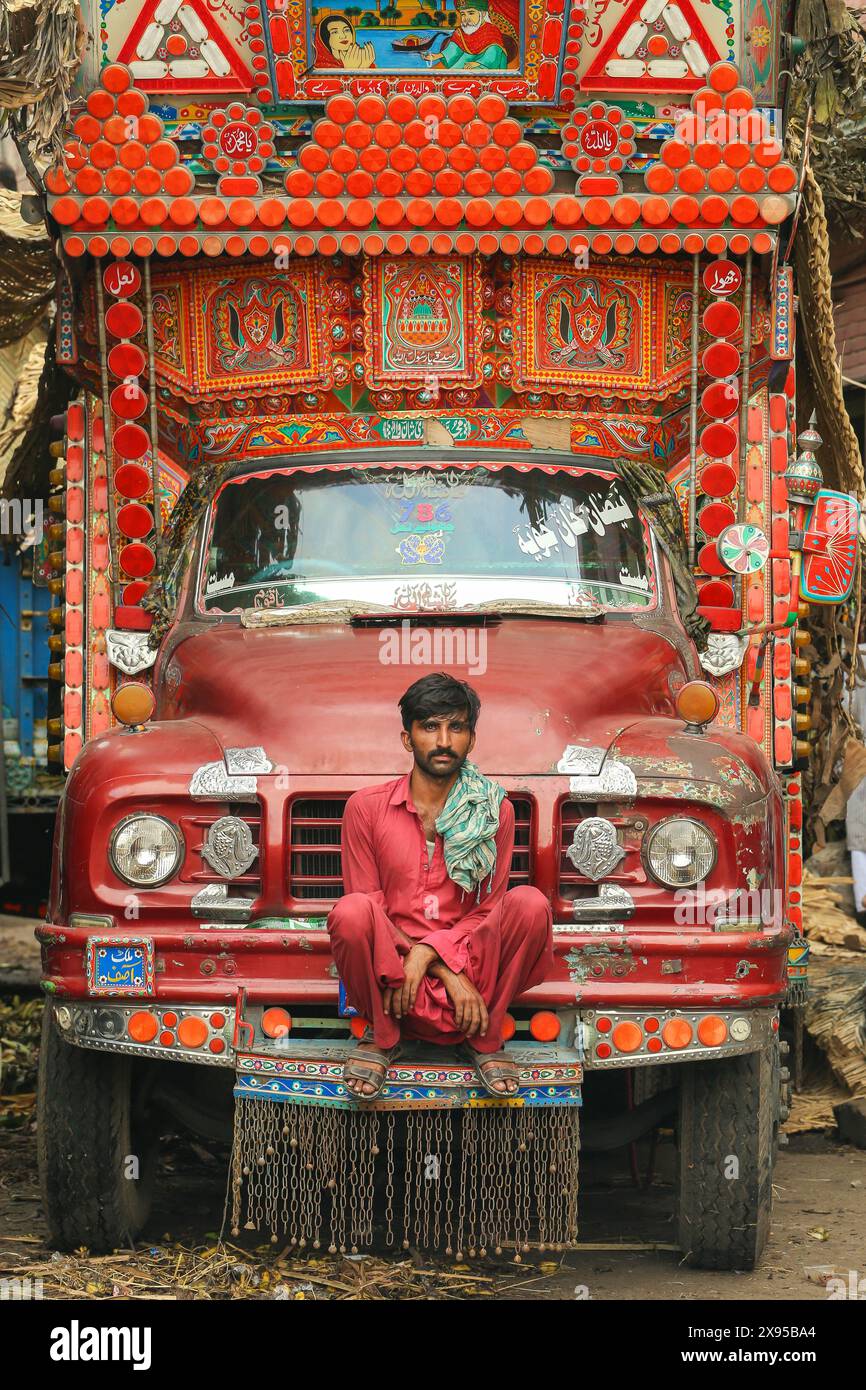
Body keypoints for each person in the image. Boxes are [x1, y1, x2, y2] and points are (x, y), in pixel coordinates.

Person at [328, 672, 553, 1099]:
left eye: (457, 727)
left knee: (529, 904)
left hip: (472, 970)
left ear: (472, 738)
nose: (444, 741)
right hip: (392, 972)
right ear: (407, 738)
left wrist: (436, 957)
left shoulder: (494, 812)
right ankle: (381, 1035)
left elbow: (488, 911)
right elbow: (368, 906)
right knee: (350, 912)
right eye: (430, 727)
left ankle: (484, 1038)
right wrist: (426, 965)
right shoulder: (365, 808)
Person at [422, 0, 514, 69]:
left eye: (471, 13)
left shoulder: (491, 30)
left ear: (482, 13)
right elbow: (454, 48)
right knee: (453, 74)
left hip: (487, 64)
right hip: (465, 60)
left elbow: (494, 51)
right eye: (463, 14)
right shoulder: (461, 31)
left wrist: (478, 63)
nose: (466, 18)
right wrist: (437, 56)